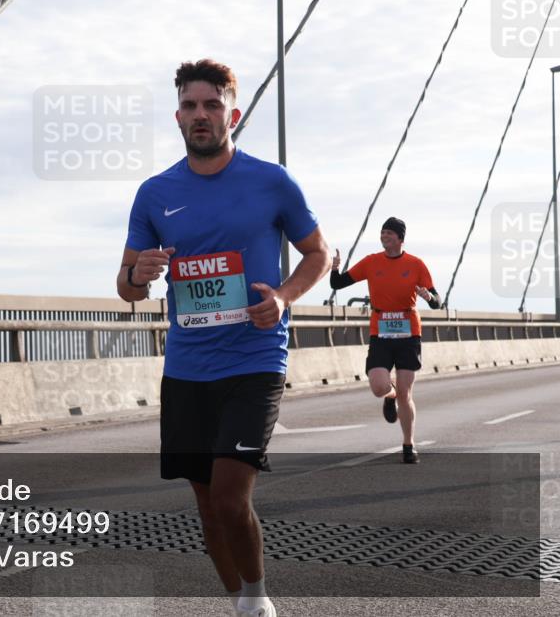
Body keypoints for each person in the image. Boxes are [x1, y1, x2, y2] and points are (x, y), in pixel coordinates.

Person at [117, 59, 329, 617]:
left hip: (255, 360)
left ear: (232, 113)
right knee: (207, 506)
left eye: (212, 105)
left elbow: (318, 254)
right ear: (178, 117)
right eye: (190, 106)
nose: (201, 115)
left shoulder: (271, 181)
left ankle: (259, 601)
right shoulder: (155, 192)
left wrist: (282, 297)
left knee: (233, 500)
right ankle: (238, 604)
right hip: (186, 368)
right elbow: (126, 286)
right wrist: (139, 277)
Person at [329, 217, 441, 464]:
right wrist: (334, 267)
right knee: (379, 386)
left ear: (401, 238)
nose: (384, 236)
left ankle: (409, 445)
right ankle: (389, 397)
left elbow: (437, 300)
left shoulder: (416, 264)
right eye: (382, 233)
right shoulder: (371, 262)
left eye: (389, 233)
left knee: (406, 393)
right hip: (380, 331)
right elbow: (337, 283)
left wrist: (428, 297)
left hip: (409, 332)